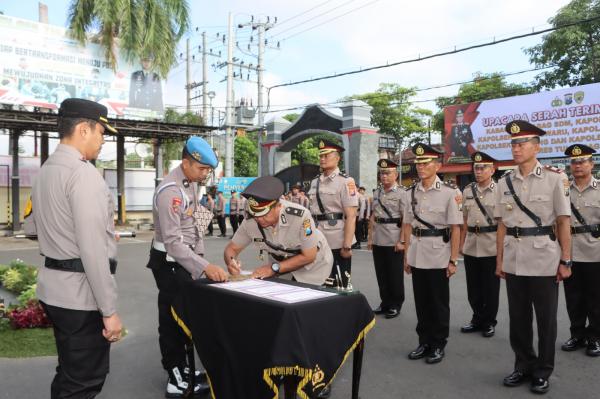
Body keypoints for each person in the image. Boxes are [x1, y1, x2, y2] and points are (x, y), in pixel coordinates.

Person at [28, 98, 122, 398]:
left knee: (70, 372)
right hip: (80, 297)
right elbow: (92, 252)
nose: (103, 140)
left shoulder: (46, 170)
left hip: (54, 289)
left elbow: (34, 227)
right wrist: (109, 311)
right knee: (84, 382)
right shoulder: (83, 175)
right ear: (83, 129)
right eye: (101, 132)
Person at [147, 136, 228, 398]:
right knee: (171, 319)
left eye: (207, 170)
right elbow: (173, 243)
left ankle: (184, 368)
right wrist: (205, 267)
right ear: (185, 163)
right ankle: (175, 377)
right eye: (202, 168)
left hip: (185, 262)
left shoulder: (190, 184)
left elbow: (195, 225)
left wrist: (199, 258)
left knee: (184, 317)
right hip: (170, 264)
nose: (205, 174)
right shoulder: (171, 191)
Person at [495, 120, 571, 394]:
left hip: (544, 259)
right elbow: (502, 224)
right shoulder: (504, 182)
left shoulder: (554, 179)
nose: (516, 148)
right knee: (518, 318)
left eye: (522, 143)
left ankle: (543, 370)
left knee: (546, 320)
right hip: (514, 259)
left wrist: (566, 260)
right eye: (513, 143)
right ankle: (523, 365)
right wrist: (499, 260)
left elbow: (563, 222)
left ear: (537, 147)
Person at [403, 143, 462, 364]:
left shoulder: (450, 193)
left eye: (425, 163)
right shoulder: (411, 192)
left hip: (439, 254)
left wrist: (453, 259)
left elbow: (455, 228)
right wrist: (406, 255)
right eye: (418, 163)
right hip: (417, 253)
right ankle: (424, 342)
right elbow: (408, 226)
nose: (420, 167)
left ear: (437, 165)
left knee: (438, 303)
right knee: (421, 302)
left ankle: (438, 344)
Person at [225, 175, 333, 286]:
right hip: (278, 266)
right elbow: (231, 249)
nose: (259, 219)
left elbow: (309, 256)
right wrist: (231, 262)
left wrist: (273, 268)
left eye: (264, 214)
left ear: (279, 206)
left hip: (312, 266)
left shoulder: (300, 216)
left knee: (307, 298)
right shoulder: (251, 221)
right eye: (255, 215)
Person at [561, 144, 600, 357]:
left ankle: (595, 337)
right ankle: (577, 334)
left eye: (583, 161)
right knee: (573, 298)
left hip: (595, 253)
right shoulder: (563, 190)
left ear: (591, 164)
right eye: (574, 162)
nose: (578, 165)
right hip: (571, 253)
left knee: (595, 299)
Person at [459, 151, 500, 338]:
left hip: (491, 245)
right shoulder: (467, 191)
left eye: (483, 167)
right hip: (471, 245)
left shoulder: (500, 191)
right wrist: (461, 244)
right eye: (476, 167)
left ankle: (489, 321)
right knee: (473, 287)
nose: (479, 171)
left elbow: (502, 224)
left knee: (490, 287)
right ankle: (477, 318)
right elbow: (464, 220)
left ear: (493, 169)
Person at [307, 140, 358, 288]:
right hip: (317, 238)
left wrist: (347, 245)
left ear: (337, 158)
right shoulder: (315, 181)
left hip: (337, 238)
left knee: (339, 282)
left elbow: (351, 215)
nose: (322, 159)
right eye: (321, 156)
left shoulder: (346, 181)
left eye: (326, 156)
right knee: (319, 281)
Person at [368, 159, 407, 319]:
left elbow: (406, 219)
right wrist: (370, 238)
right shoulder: (377, 193)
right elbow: (373, 217)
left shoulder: (402, 193)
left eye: (387, 173)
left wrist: (402, 241)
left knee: (394, 274)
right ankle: (385, 302)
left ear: (396, 174)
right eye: (382, 173)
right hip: (378, 238)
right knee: (381, 273)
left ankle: (395, 304)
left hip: (393, 238)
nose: (384, 176)